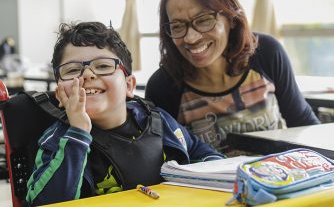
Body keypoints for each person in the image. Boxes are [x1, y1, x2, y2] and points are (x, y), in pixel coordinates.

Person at [26, 21, 224, 206]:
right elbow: (45, 202)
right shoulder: (56, 140)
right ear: (60, 93)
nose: (87, 75)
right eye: (72, 70)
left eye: (103, 66)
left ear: (129, 85)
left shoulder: (158, 120)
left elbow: (205, 155)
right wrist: (78, 131)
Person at [145, 0, 320, 156]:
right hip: (208, 185)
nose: (191, 37)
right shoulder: (163, 86)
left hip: (284, 179)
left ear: (231, 18)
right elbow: (166, 162)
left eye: (204, 20)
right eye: (178, 26)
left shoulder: (266, 53)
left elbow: (304, 125)